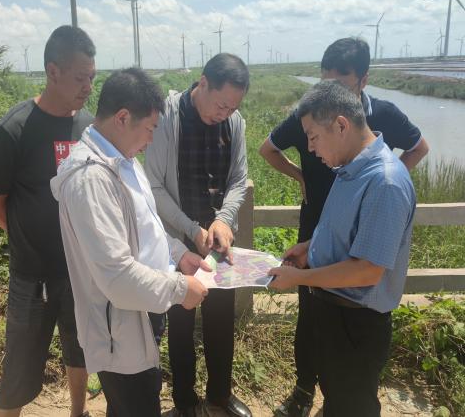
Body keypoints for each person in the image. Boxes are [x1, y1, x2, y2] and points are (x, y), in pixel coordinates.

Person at [259, 37, 428, 417]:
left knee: (352, 404)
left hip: (357, 324)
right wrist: (309, 247)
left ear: (340, 125)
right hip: (335, 314)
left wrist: (300, 278)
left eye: (313, 138)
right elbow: (340, 230)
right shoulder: (348, 169)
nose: (310, 149)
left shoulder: (384, 183)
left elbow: (367, 270)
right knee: (337, 397)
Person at [50, 68, 210, 417]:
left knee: (133, 402)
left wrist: (179, 254)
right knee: (136, 403)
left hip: (143, 308)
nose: (151, 139)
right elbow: (118, 276)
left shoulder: (124, 160)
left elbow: (145, 226)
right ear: (122, 118)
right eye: (150, 128)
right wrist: (180, 288)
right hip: (119, 329)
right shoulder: (91, 180)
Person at [0, 25, 96, 417]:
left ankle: (78, 411)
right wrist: (29, 236)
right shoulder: (13, 130)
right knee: (21, 363)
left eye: (92, 78)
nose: (88, 87)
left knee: (80, 348)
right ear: (52, 72)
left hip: (80, 270)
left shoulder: (88, 127)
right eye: (80, 78)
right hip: (32, 276)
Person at [144, 53, 252, 417]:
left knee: (222, 320)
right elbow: (154, 186)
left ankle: (220, 395)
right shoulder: (167, 118)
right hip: (179, 239)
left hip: (220, 240)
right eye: (221, 105)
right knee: (180, 323)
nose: (225, 113)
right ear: (203, 83)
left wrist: (223, 220)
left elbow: (238, 180)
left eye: (233, 107)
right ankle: (184, 401)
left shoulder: (234, 123)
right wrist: (192, 228)